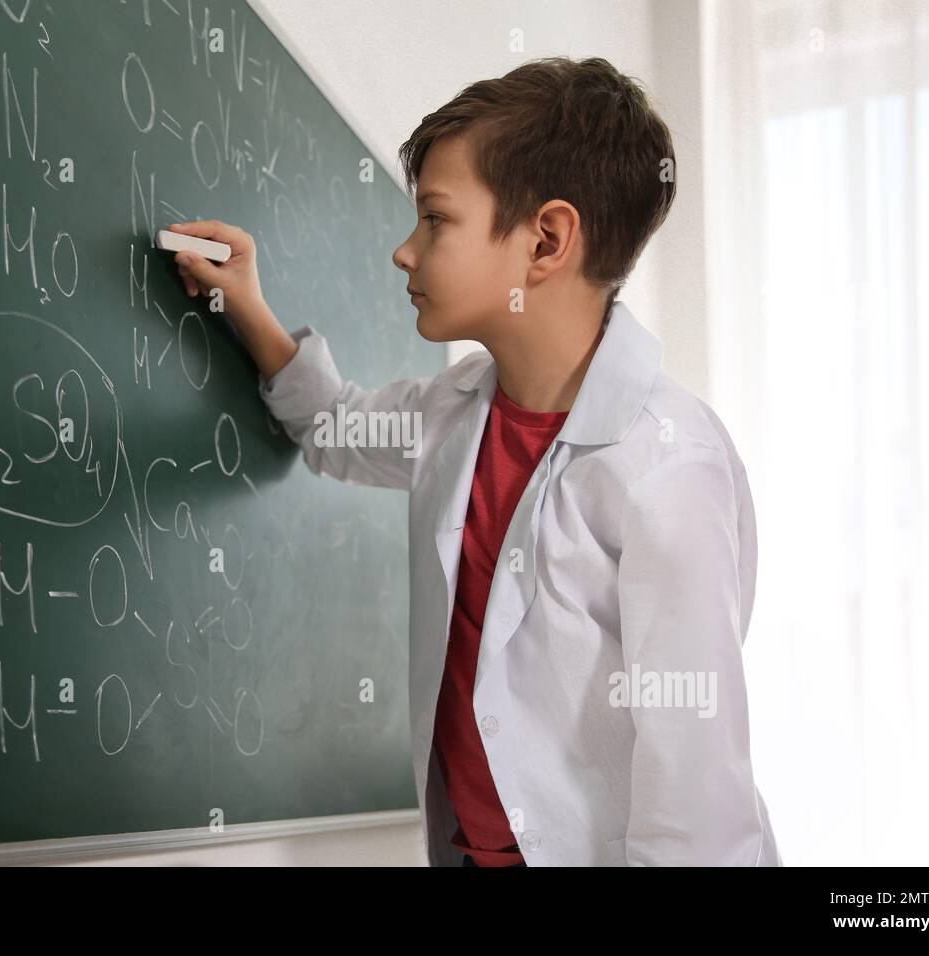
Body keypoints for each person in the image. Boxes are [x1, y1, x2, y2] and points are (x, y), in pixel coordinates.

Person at [170, 56, 779, 867]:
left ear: (545, 241)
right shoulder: (458, 410)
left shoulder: (665, 466)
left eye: (434, 220)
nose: (405, 252)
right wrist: (243, 300)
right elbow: (333, 426)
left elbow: (697, 805)